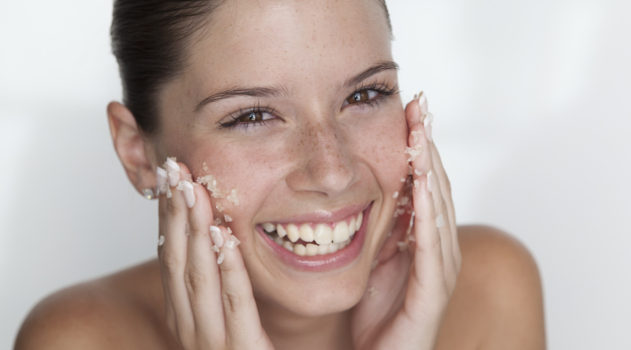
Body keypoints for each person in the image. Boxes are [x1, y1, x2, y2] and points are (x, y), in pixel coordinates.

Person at [15, 0, 545, 349]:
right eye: (251, 117)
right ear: (137, 152)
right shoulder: (82, 340)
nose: (332, 171)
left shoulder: (490, 293)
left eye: (364, 95)